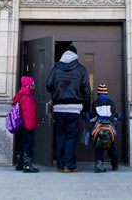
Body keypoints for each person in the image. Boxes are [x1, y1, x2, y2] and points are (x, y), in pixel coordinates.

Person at [46, 44, 91, 172]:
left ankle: (60, 165)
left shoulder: (56, 68)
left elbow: (48, 84)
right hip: (74, 109)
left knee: (60, 135)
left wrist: (56, 91)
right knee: (71, 136)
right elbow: (87, 91)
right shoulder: (81, 69)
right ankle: (69, 165)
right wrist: (86, 109)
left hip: (59, 109)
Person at [87, 83, 119, 173]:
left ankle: (99, 164)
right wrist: (118, 116)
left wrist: (86, 115)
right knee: (112, 148)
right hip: (110, 130)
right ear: (106, 93)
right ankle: (115, 165)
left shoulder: (95, 103)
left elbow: (92, 117)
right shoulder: (111, 103)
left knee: (98, 148)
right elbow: (113, 115)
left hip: (99, 130)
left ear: (98, 94)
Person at [13, 76, 40, 173]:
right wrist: (29, 125)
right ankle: (27, 164)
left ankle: (20, 162)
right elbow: (27, 112)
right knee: (28, 143)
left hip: (20, 125)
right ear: (30, 85)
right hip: (26, 125)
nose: (34, 85)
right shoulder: (27, 97)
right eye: (33, 83)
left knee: (20, 143)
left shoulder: (20, 95)